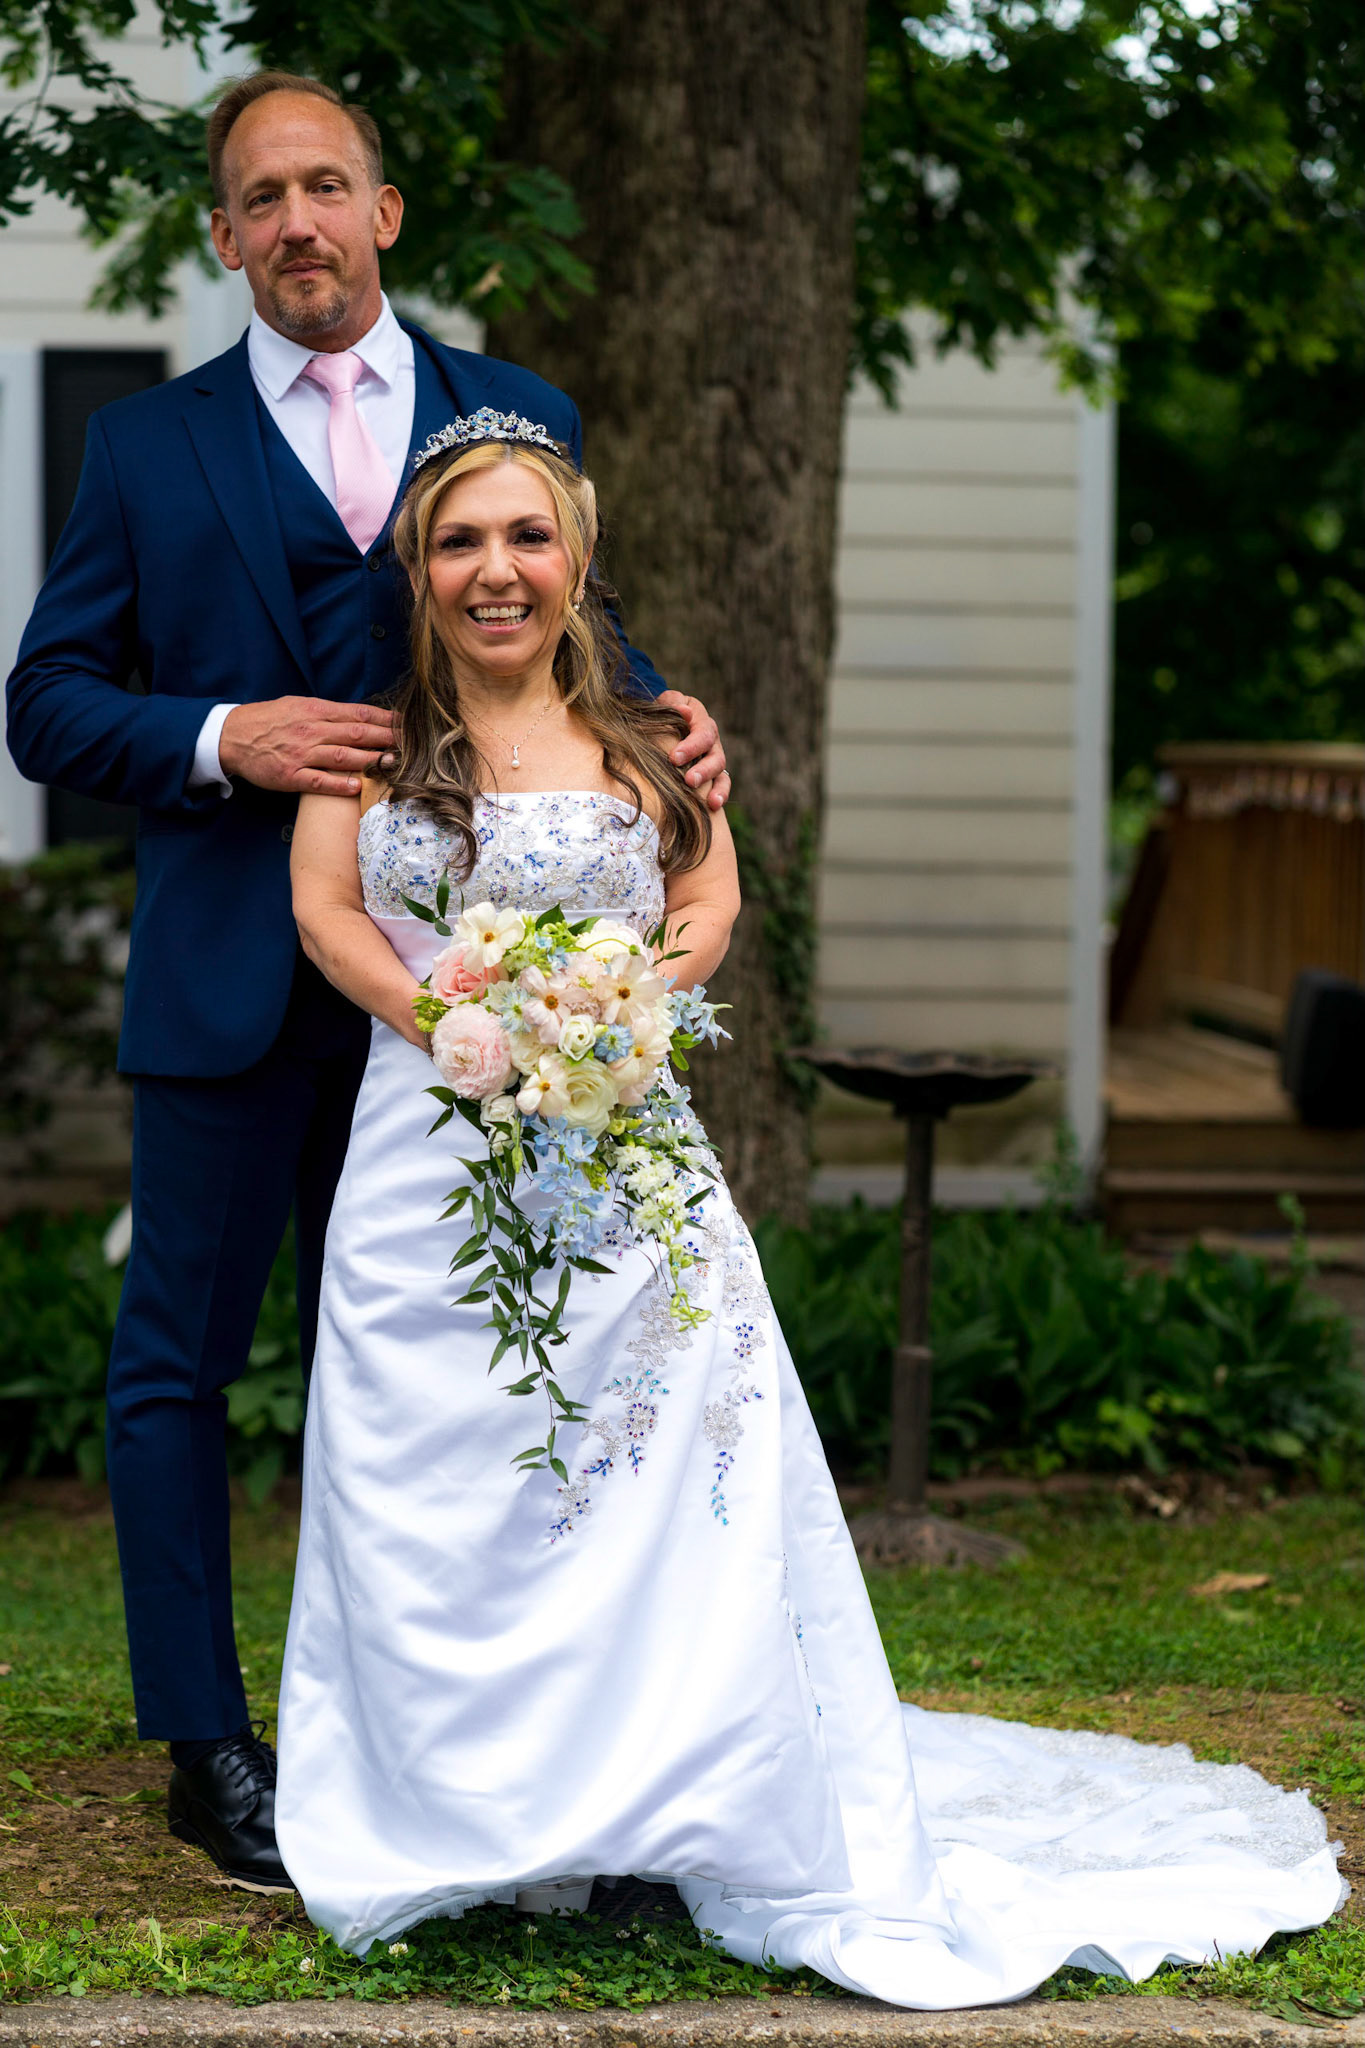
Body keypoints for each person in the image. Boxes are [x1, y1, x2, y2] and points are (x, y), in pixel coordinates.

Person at [277, 415, 1344, 2004]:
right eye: (457, 543)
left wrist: (627, 994)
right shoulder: (371, 747)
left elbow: (707, 895)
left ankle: (660, 1805)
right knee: (443, 1479)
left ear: (574, 563)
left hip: (632, 1176)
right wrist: (448, 1018)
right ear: (421, 574)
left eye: (523, 539)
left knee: (646, 1498)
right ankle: (462, 1814)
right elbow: (324, 908)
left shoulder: (647, 747)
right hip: (425, 1172)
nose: (493, 572)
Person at [3, 71, 727, 1897]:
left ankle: (477, 1745)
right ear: (228, 236)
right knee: (171, 1364)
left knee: (463, 1374)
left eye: (329, 186)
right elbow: (47, 703)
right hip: (233, 986)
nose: (299, 222)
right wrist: (228, 734)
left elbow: (562, 632)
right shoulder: (148, 453)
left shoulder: (515, 412)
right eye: (262, 198)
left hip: (473, 1002)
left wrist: (666, 717)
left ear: (386, 214)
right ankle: (205, 1740)